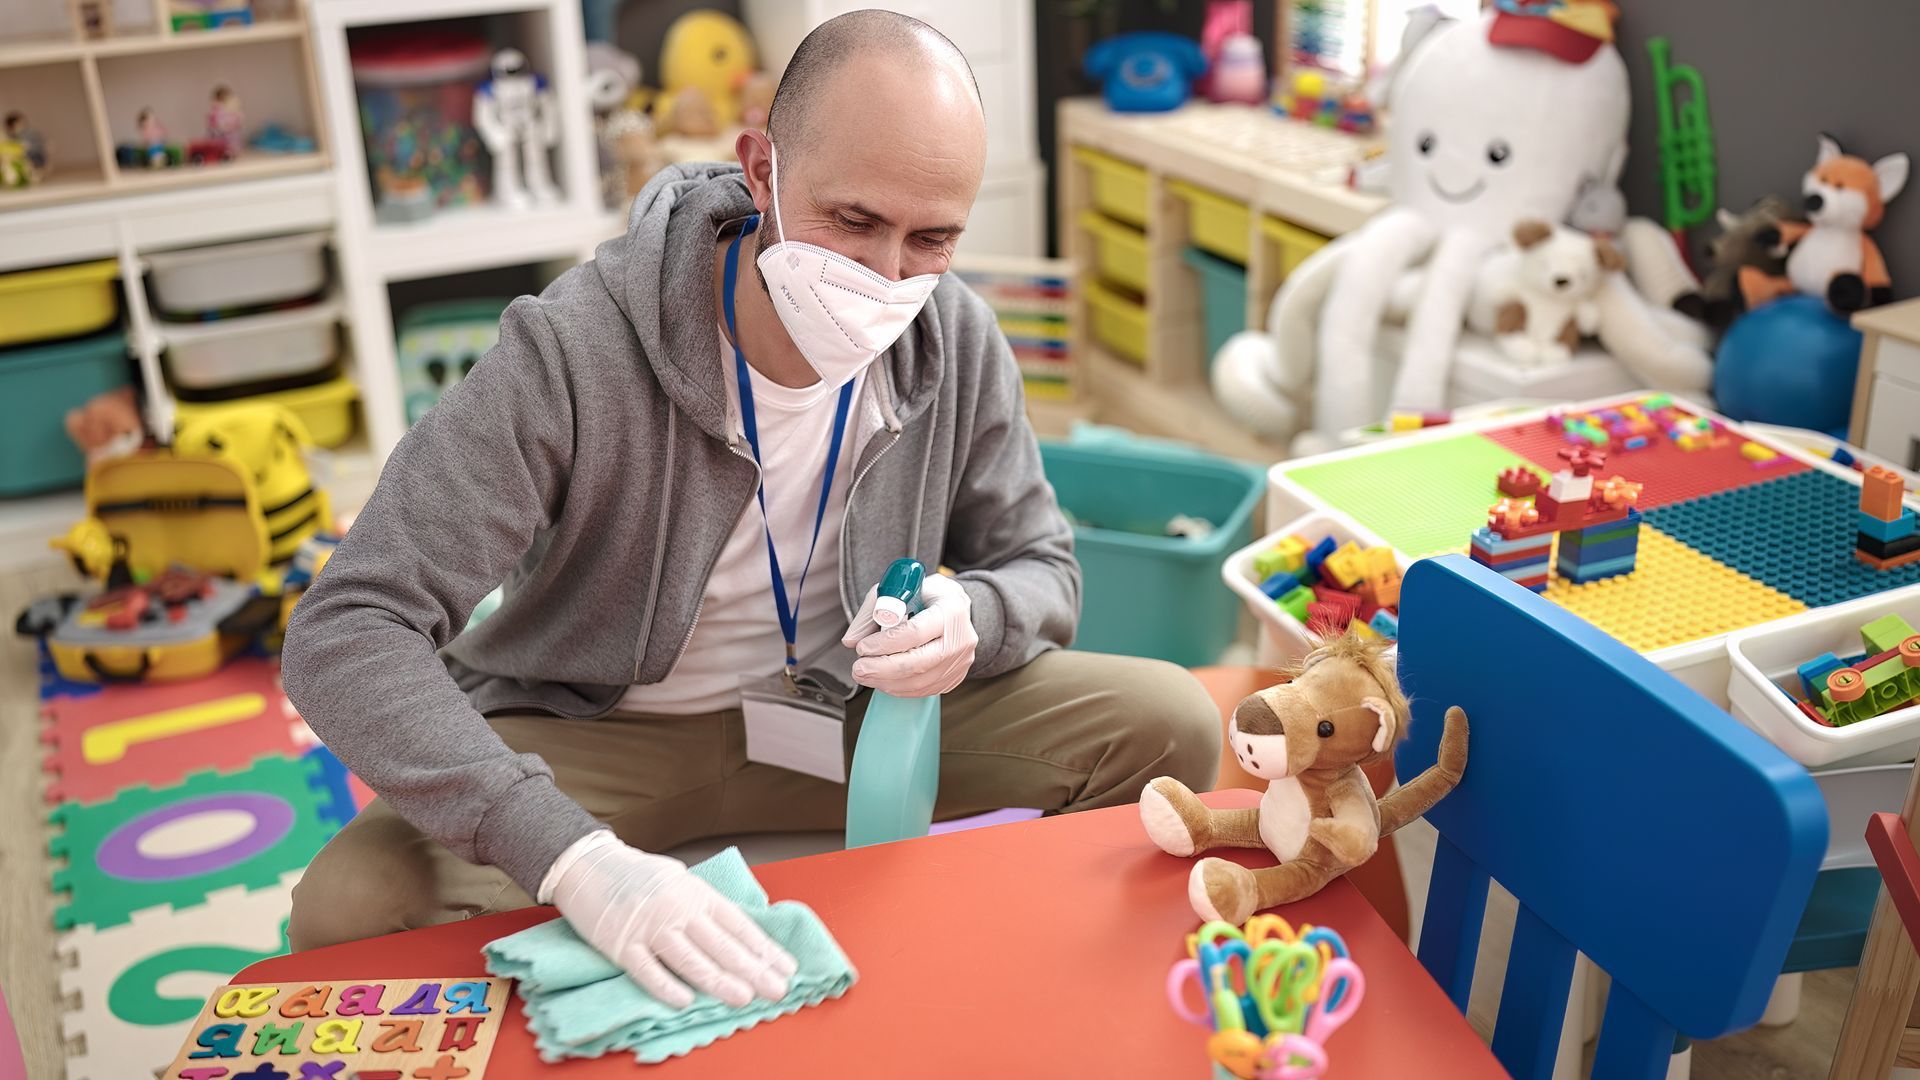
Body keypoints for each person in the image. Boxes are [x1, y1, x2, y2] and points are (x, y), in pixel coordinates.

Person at [282, 10, 1219, 1012]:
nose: (886, 276)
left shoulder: (955, 334)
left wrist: (974, 618)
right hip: (604, 733)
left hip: (848, 712)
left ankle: (1004, 982)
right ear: (761, 171)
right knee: (346, 908)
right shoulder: (571, 351)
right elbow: (346, 627)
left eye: (933, 237)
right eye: (852, 223)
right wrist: (571, 861)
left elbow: (1043, 562)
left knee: (1173, 724)